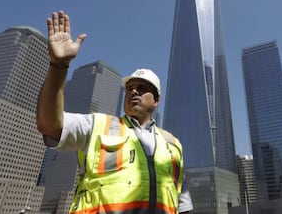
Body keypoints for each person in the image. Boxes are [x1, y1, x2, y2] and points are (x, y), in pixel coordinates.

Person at [37, 11, 193, 214]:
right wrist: (59, 66)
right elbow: (49, 124)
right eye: (130, 88)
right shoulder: (97, 125)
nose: (134, 91)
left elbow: (183, 204)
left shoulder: (173, 144)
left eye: (142, 88)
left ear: (156, 101)